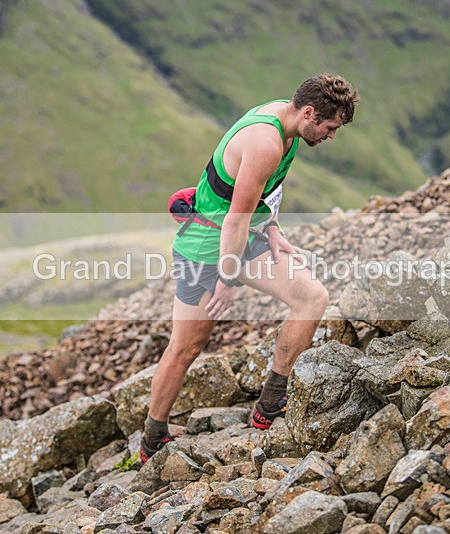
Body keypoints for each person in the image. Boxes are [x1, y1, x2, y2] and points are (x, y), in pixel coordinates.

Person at [140, 74, 359, 462]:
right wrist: (226, 278)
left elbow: (264, 192)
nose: (331, 136)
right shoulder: (265, 142)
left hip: (243, 237)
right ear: (309, 113)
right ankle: (152, 438)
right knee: (187, 347)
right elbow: (234, 222)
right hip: (207, 247)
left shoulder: (287, 125)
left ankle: (271, 401)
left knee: (312, 297)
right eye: (330, 127)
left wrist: (272, 229)